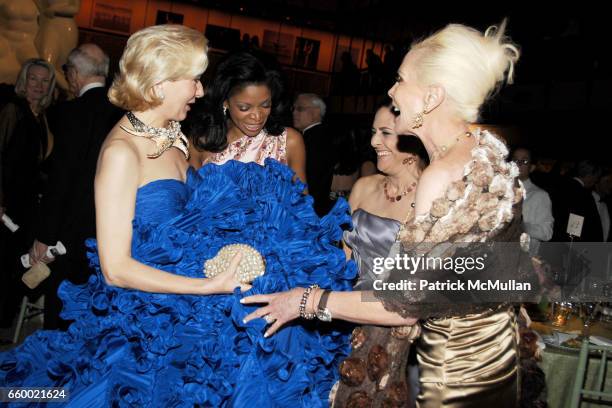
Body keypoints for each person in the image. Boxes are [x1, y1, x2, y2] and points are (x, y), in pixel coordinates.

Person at [1, 25, 355, 406]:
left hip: (182, 298)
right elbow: (115, 268)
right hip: (146, 315)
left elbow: (190, 217)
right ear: (159, 85)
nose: (201, 91)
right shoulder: (123, 151)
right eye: (193, 80)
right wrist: (207, 286)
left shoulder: (172, 134)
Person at [244, 21, 529, 407]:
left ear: (432, 96)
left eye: (401, 79)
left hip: (454, 373)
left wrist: (305, 300)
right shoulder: (487, 151)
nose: (392, 90)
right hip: (495, 357)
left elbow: (403, 306)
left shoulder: (441, 176)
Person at [242, 102, 427, 406]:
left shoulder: (433, 200)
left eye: (385, 133)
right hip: (343, 317)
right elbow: (340, 265)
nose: (373, 142)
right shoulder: (365, 188)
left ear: (413, 141)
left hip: (399, 330)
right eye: (372, 132)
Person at [27, 43, 123, 330]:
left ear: (74, 75)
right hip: (109, 230)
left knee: (62, 309)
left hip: (69, 232)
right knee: (94, 311)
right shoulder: (123, 113)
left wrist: (45, 235)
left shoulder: (69, 113)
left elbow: (61, 179)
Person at [186, 51, 306, 183]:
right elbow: (191, 200)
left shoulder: (288, 141)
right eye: (244, 108)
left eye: (265, 105)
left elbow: (302, 201)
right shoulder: (201, 142)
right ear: (225, 102)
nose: (257, 116)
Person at [0, 58, 56, 327]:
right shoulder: (13, 110)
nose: (39, 85)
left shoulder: (42, 116)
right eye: (33, 78)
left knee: (15, 264)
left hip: (27, 205)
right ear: (24, 80)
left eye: (45, 80)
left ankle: (5, 321)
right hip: (6, 204)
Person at [293, 93, 335, 215]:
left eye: (300, 108)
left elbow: (309, 179)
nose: (294, 112)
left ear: (316, 112)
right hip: (318, 207)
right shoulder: (323, 135)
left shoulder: (311, 140)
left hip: (308, 209)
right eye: (293, 108)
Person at [512, 147, 554, 255]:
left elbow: (546, 233)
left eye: (524, 161)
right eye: (515, 160)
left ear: (531, 167)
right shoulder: (499, 193)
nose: (519, 163)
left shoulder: (539, 195)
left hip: (523, 260)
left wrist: (521, 224)